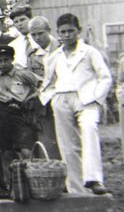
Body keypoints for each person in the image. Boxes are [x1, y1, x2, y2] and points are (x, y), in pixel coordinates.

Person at [40, 13, 112, 195]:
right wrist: (51, 98)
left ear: (78, 31)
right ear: (57, 33)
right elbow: (48, 82)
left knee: (89, 130)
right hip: (62, 99)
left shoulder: (89, 52)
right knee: (67, 145)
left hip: (85, 99)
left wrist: (96, 98)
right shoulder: (54, 56)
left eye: (71, 31)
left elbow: (105, 78)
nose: (67, 35)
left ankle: (94, 179)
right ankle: (77, 190)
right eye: (63, 32)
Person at [0, 45, 39, 188]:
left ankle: (32, 182)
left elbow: (40, 86)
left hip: (21, 112)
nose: (3, 63)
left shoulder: (23, 74)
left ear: (12, 59)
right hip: (2, 114)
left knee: (25, 149)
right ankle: (13, 184)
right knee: (5, 150)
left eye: (6, 60)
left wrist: (30, 98)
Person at [27, 16, 60, 160]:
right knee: (47, 143)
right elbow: (31, 80)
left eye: (40, 33)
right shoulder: (33, 55)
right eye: (33, 34)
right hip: (44, 106)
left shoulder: (61, 49)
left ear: (49, 30)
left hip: (62, 99)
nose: (37, 38)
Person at [8, 4, 37, 69]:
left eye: (22, 20)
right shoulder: (12, 46)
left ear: (31, 19)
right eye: (16, 22)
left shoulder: (40, 39)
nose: (19, 24)